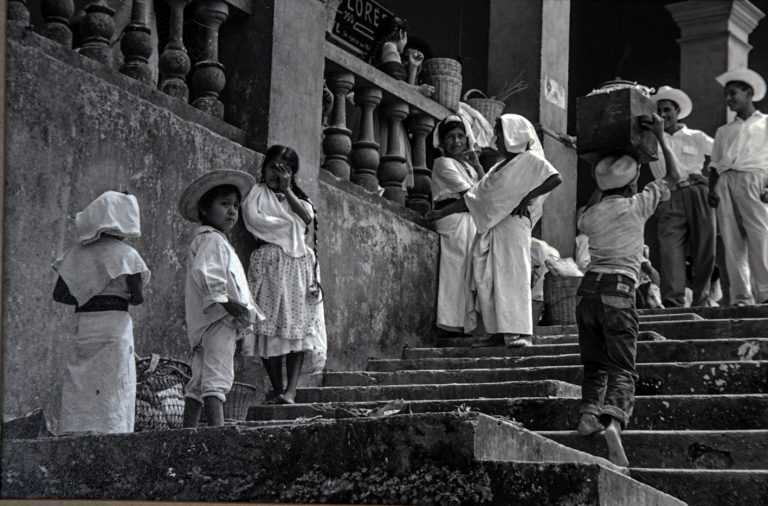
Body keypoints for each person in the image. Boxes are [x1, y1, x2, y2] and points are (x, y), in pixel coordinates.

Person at [575, 113, 680, 467]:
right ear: (633, 181)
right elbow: (674, 177)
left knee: (594, 364)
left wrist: (599, 167)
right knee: (623, 367)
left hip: (586, 292)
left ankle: (588, 413)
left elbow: (592, 203)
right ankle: (614, 420)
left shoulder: (590, 217)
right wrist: (661, 136)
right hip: (619, 291)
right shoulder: (638, 206)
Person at [428, 114, 562, 347]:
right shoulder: (499, 167)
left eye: (499, 133)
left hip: (513, 227)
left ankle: (522, 333)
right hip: (493, 227)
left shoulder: (529, 159)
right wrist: (441, 213)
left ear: (514, 134)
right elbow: (475, 198)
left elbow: (555, 178)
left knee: (513, 277)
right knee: (488, 279)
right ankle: (495, 332)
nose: (495, 138)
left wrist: (527, 197)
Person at [52, 191, 150, 434]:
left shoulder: (76, 254)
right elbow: (137, 298)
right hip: (114, 326)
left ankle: (75, 430)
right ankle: (112, 433)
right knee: (114, 383)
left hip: (85, 325)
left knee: (80, 381)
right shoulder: (128, 255)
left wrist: (89, 289)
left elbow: (59, 294)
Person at [242, 145, 327, 405]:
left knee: (298, 330)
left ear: (292, 174)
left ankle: (291, 390)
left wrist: (288, 190)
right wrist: (289, 224)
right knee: (268, 330)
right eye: (272, 169)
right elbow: (255, 221)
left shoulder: (298, 198)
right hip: (269, 266)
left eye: (284, 171)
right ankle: (277, 388)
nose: (276, 176)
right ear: (263, 167)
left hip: (298, 270)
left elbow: (306, 218)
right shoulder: (256, 195)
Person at [178, 169, 263, 427]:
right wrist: (229, 303)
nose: (232, 211)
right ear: (204, 209)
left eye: (236, 206)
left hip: (210, 320)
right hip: (219, 318)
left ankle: (187, 432)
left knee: (201, 377)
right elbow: (208, 274)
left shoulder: (214, 241)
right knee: (218, 375)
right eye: (224, 204)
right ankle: (218, 432)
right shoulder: (212, 241)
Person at [649, 86, 715, 307]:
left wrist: (711, 182)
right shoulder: (650, 140)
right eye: (659, 110)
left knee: (704, 248)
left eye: (667, 109)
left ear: (677, 111)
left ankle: (702, 301)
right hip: (668, 196)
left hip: (697, 193)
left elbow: (723, 156)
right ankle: (673, 302)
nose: (664, 114)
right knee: (669, 251)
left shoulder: (695, 136)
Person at [708, 68, 768, 306]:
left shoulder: (766, 124)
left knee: (760, 238)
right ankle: (741, 297)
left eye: (733, 93)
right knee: (732, 243)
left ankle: (765, 293)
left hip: (755, 179)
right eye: (727, 95)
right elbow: (714, 165)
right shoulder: (724, 131)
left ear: (749, 93)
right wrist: (712, 189)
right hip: (725, 183)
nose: (729, 99)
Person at [364, 15, 435, 194]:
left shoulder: (386, 50)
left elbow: (402, 92)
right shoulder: (390, 48)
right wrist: (420, 90)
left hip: (386, 115)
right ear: (401, 33)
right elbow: (396, 86)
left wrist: (412, 68)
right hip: (385, 118)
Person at [430, 116, 484, 334]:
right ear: (442, 142)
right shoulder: (443, 163)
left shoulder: (469, 168)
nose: (457, 141)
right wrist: (444, 211)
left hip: (469, 219)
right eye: (450, 137)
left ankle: (468, 324)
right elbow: (472, 196)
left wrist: (478, 166)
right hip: (455, 222)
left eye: (461, 136)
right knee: (458, 269)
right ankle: (452, 323)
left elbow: (485, 193)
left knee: (472, 270)